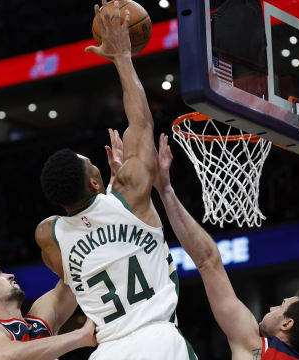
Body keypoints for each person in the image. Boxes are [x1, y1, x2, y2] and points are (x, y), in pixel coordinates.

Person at [35, 1, 195, 359]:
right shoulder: (131, 194)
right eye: (94, 165)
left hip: (107, 351)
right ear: (95, 182)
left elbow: (85, 258)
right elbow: (140, 123)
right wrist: (122, 56)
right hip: (157, 340)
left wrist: (109, 189)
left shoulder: (48, 234)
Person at [152, 133, 299, 359]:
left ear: (287, 323)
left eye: (280, 306)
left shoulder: (256, 347)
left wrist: (165, 190)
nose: (271, 308)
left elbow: (208, 261)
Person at [0, 256, 97, 360]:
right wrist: (81, 336)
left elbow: (76, 275)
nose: (10, 275)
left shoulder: (37, 322)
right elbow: (3, 356)